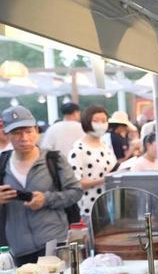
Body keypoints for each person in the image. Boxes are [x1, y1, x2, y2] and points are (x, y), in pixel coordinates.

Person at [0, 106, 82, 265]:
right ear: (7, 135)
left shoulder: (53, 159)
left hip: (54, 242)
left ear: (36, 130)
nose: (24, 138)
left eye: (29, 131)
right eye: (17, 133)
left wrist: (46, 199)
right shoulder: (2, 164)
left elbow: (75, 191)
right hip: (19, 247)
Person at [67, 105, 118, 218]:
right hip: (88, 208)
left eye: (104, 121)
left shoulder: (105, 145)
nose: (101, 124)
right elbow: (75, 183)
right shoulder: (78, 149)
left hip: (110, 204)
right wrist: (103, 180)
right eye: (96, 121)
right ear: (86, 122)